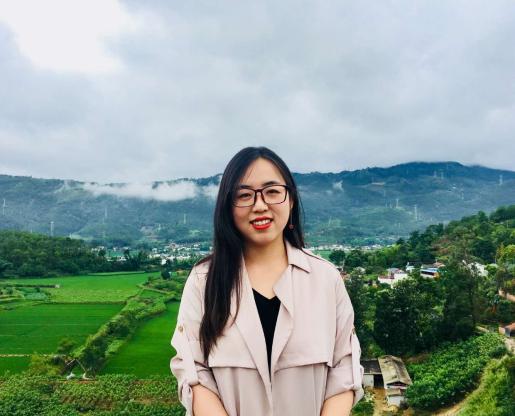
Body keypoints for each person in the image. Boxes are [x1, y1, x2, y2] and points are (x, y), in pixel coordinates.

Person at [170, 147, 364, 416]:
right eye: (244, 195)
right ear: (228, 207)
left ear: (291, 200)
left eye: (272, 191)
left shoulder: (325, 278)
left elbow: (344, 371)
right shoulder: (204, 281)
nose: (260, 205)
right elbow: (194, 373)